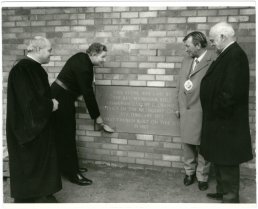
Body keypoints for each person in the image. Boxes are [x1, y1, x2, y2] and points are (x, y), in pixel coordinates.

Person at [200, 22, 253, 203]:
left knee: (228, 160)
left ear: (223, 37)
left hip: (226, 121)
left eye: (213, 40)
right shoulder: (228, 54)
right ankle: (223, 191)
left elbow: (230, 94)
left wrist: (215, 111)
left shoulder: (235, 56)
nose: (212, 44)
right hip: (220, 120)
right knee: (220, 157)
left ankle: (230, 197)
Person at [6, 36, 62, 203]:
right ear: (38, 50)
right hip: (26, 127)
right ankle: (27, 198)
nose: (51, 54)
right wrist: (50, 105)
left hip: (38, 124)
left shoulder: (34, 68)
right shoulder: (22, 69)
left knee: (42, 158)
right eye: (49, 50)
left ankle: (44, 191)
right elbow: (28, 102)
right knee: (29, 161)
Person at [51, 42, 114, 186]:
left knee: (66, 134)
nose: (104, 60)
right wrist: (98, 119)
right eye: (102, 57)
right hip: (60, 98)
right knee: (67, 135)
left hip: (61, 95)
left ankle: (70, 167)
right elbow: (88, 94)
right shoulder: (85, 66)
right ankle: (73, 174)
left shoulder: (81, 58)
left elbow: (78, 84)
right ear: (93, 54)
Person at [176, 31, 216, 191]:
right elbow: (179, 85)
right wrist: (177, 106)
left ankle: (202, 177)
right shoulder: (186, 60)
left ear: (198, 45)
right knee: (187, 145)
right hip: (186, 110)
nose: (186, 49)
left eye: (188, 46)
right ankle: (189, 173)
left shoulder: (213, 59)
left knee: (203, 146)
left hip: (202, 110)